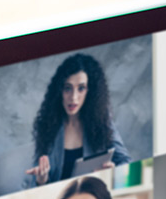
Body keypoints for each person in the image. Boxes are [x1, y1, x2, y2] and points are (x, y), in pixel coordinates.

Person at [23, 53, 133, 188]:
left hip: (91, 194)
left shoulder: (102, 121)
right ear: (59, 91)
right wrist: (41, 180)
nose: (73, 97)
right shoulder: (48, 125)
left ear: (90, 91)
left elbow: (126, 162)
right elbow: (36, 183)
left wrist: (113, 173)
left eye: (81, 88)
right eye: (67, 88)